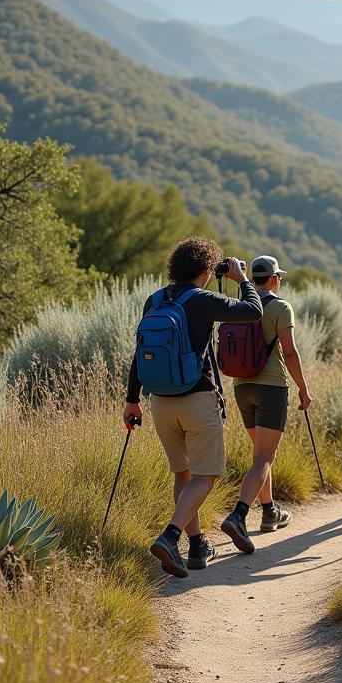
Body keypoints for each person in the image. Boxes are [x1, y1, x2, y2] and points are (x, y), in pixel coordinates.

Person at [124, 236, 262, 579]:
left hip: (160, 402)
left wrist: (131, 401)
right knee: (205, 475)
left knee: (182, 474)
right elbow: (253, 312)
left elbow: (140, 354)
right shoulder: (201, 300)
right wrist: (241, 279)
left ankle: (198, 544)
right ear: (205, 269)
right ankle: (171, 536)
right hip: (197, 398)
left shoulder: (154, 300)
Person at [220, 255, 312, 555]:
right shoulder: (280, 307)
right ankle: (239, 515)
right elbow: (291, 352)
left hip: (241, 387)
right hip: (271, 388)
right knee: (263, 458)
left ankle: (270, 511)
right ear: (274, 278)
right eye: (279, 276)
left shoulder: (239, 307)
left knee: (260, 454)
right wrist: (303, 388)